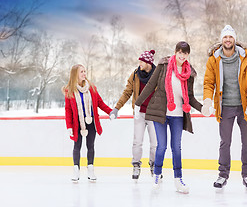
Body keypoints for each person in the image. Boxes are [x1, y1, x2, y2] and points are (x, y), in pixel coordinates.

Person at [134, 41, 202, 194]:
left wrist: (202, 108)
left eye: (185, 53)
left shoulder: (189, 73)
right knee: (162, 146)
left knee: (176, 148)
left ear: (187, 55)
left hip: (178, 115)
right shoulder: (164, 66)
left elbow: (190, 97)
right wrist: (138, 104)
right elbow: (151, 85)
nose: (182, 56)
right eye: (180, 52)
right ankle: (157, 176)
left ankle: (178, 180)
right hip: (161, 113)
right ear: (175, 52)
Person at [202, 25, 247, 188]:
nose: (228, 39)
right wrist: (207, 100)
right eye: (225, 37)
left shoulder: (246, 57)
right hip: (225, 106)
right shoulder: (214, 59)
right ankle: (222, 175)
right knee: (225, 142)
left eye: (230, 37)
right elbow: (208, 82)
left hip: (244, 107)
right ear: (222, 40)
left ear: (234, 39)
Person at [109, 50, 157, 180]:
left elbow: (164, 93)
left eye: (142, 61)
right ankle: (136, 165)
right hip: (139, 113)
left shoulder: (158, 74)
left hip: (154, 114)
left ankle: (154, 165)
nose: (139, 63)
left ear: (148, 62)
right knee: (137, 142)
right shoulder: (135, 75)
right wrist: (116, 108)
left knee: (155, 144)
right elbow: (127, 93)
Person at [63, 64, 112, 182]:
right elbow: (68, 110)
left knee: (90, 146)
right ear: (75, 75)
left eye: (85, 71)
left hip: (91, 122)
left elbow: (100, 103)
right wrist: (69, 126)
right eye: (81, 72)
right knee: (77, 146)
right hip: (77, 124)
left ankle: (90, 169)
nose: (84, 74)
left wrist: (110, 112)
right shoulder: (69, 91)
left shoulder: (91, 88)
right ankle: (76, 170)